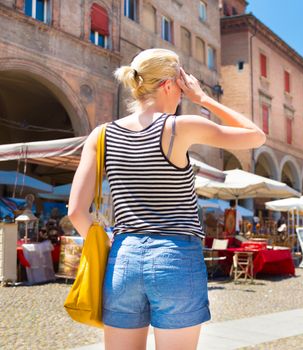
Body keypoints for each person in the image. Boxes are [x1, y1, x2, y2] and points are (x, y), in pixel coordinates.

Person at [67, 48, 266, 350]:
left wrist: (110, 245)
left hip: (124, 256)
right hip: (176, 256)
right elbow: (255, 136)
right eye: (182, 84)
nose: (183, 93)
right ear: (169, 84)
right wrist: (204, 99)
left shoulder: (101, 135)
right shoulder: (179, 127)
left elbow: (76, 212)